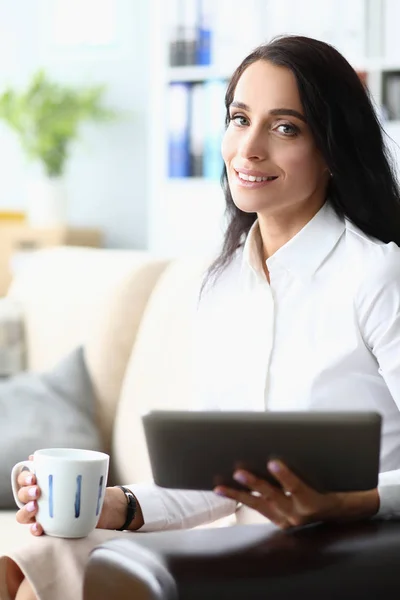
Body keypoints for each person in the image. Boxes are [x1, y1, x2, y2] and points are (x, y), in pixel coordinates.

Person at [2, 33, 400, 599]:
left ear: (333, 149)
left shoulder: (377, 277)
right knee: (37, 550)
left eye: (285, 127)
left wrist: (349, 501)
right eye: (240, 118)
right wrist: (119, 504)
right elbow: (221, 484)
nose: (249, 148)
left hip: (360, 546)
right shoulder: (222, 284)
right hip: (252, 544)